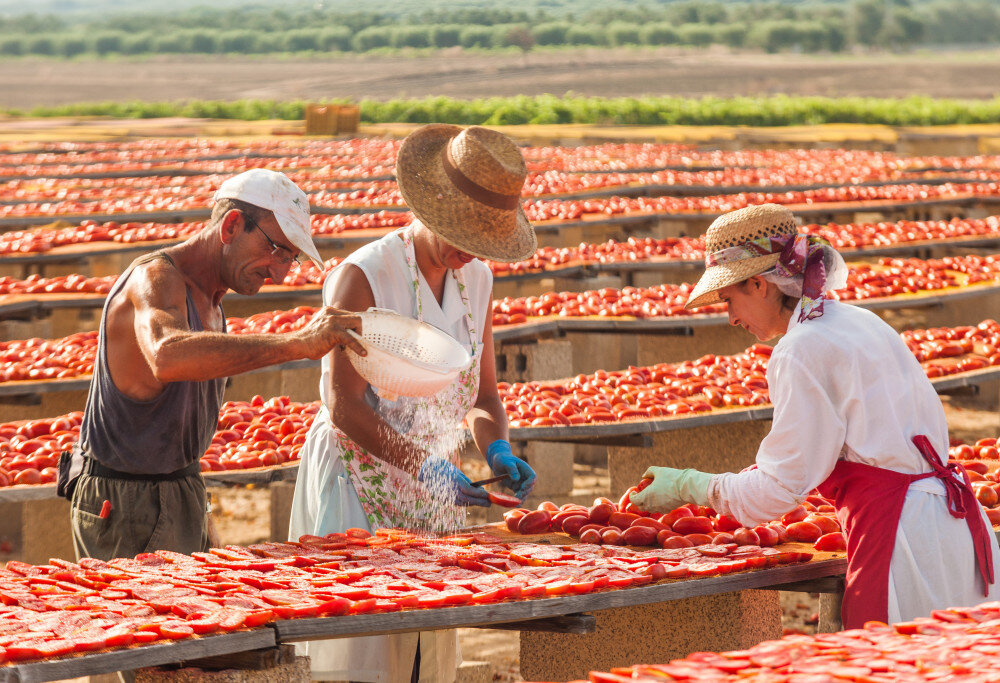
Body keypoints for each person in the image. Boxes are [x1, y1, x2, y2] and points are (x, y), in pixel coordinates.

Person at [629, 203, 1000, 629]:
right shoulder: (858, 320)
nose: (731, 317)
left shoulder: (799, 348)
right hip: (950, 527)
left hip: (901, 541)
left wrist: (691, 484)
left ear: (758, 283)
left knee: (900, 665)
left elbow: (775, 492)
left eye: (730, 298)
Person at [288, 124, 537, 683]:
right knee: (361, 644)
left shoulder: (477, 277)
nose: (465, 250)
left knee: (425, 637)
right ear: (428, 206)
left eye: (479, 240)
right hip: (360, 473)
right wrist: (423, 465)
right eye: (457, 232)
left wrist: (496, 445)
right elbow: (342, 403)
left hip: (425, 476)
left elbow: (483, 395)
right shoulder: (365, 276)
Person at [64, 168, 364, 561]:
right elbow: (167, 354)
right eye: (276, 250)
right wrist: (297, 342)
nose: (279, 272)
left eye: (290, 259)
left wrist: (196, 505)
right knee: (141, 619)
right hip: (124, 498)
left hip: (177, 484)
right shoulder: (155, 277)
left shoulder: (213, 301)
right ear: (232, 226)